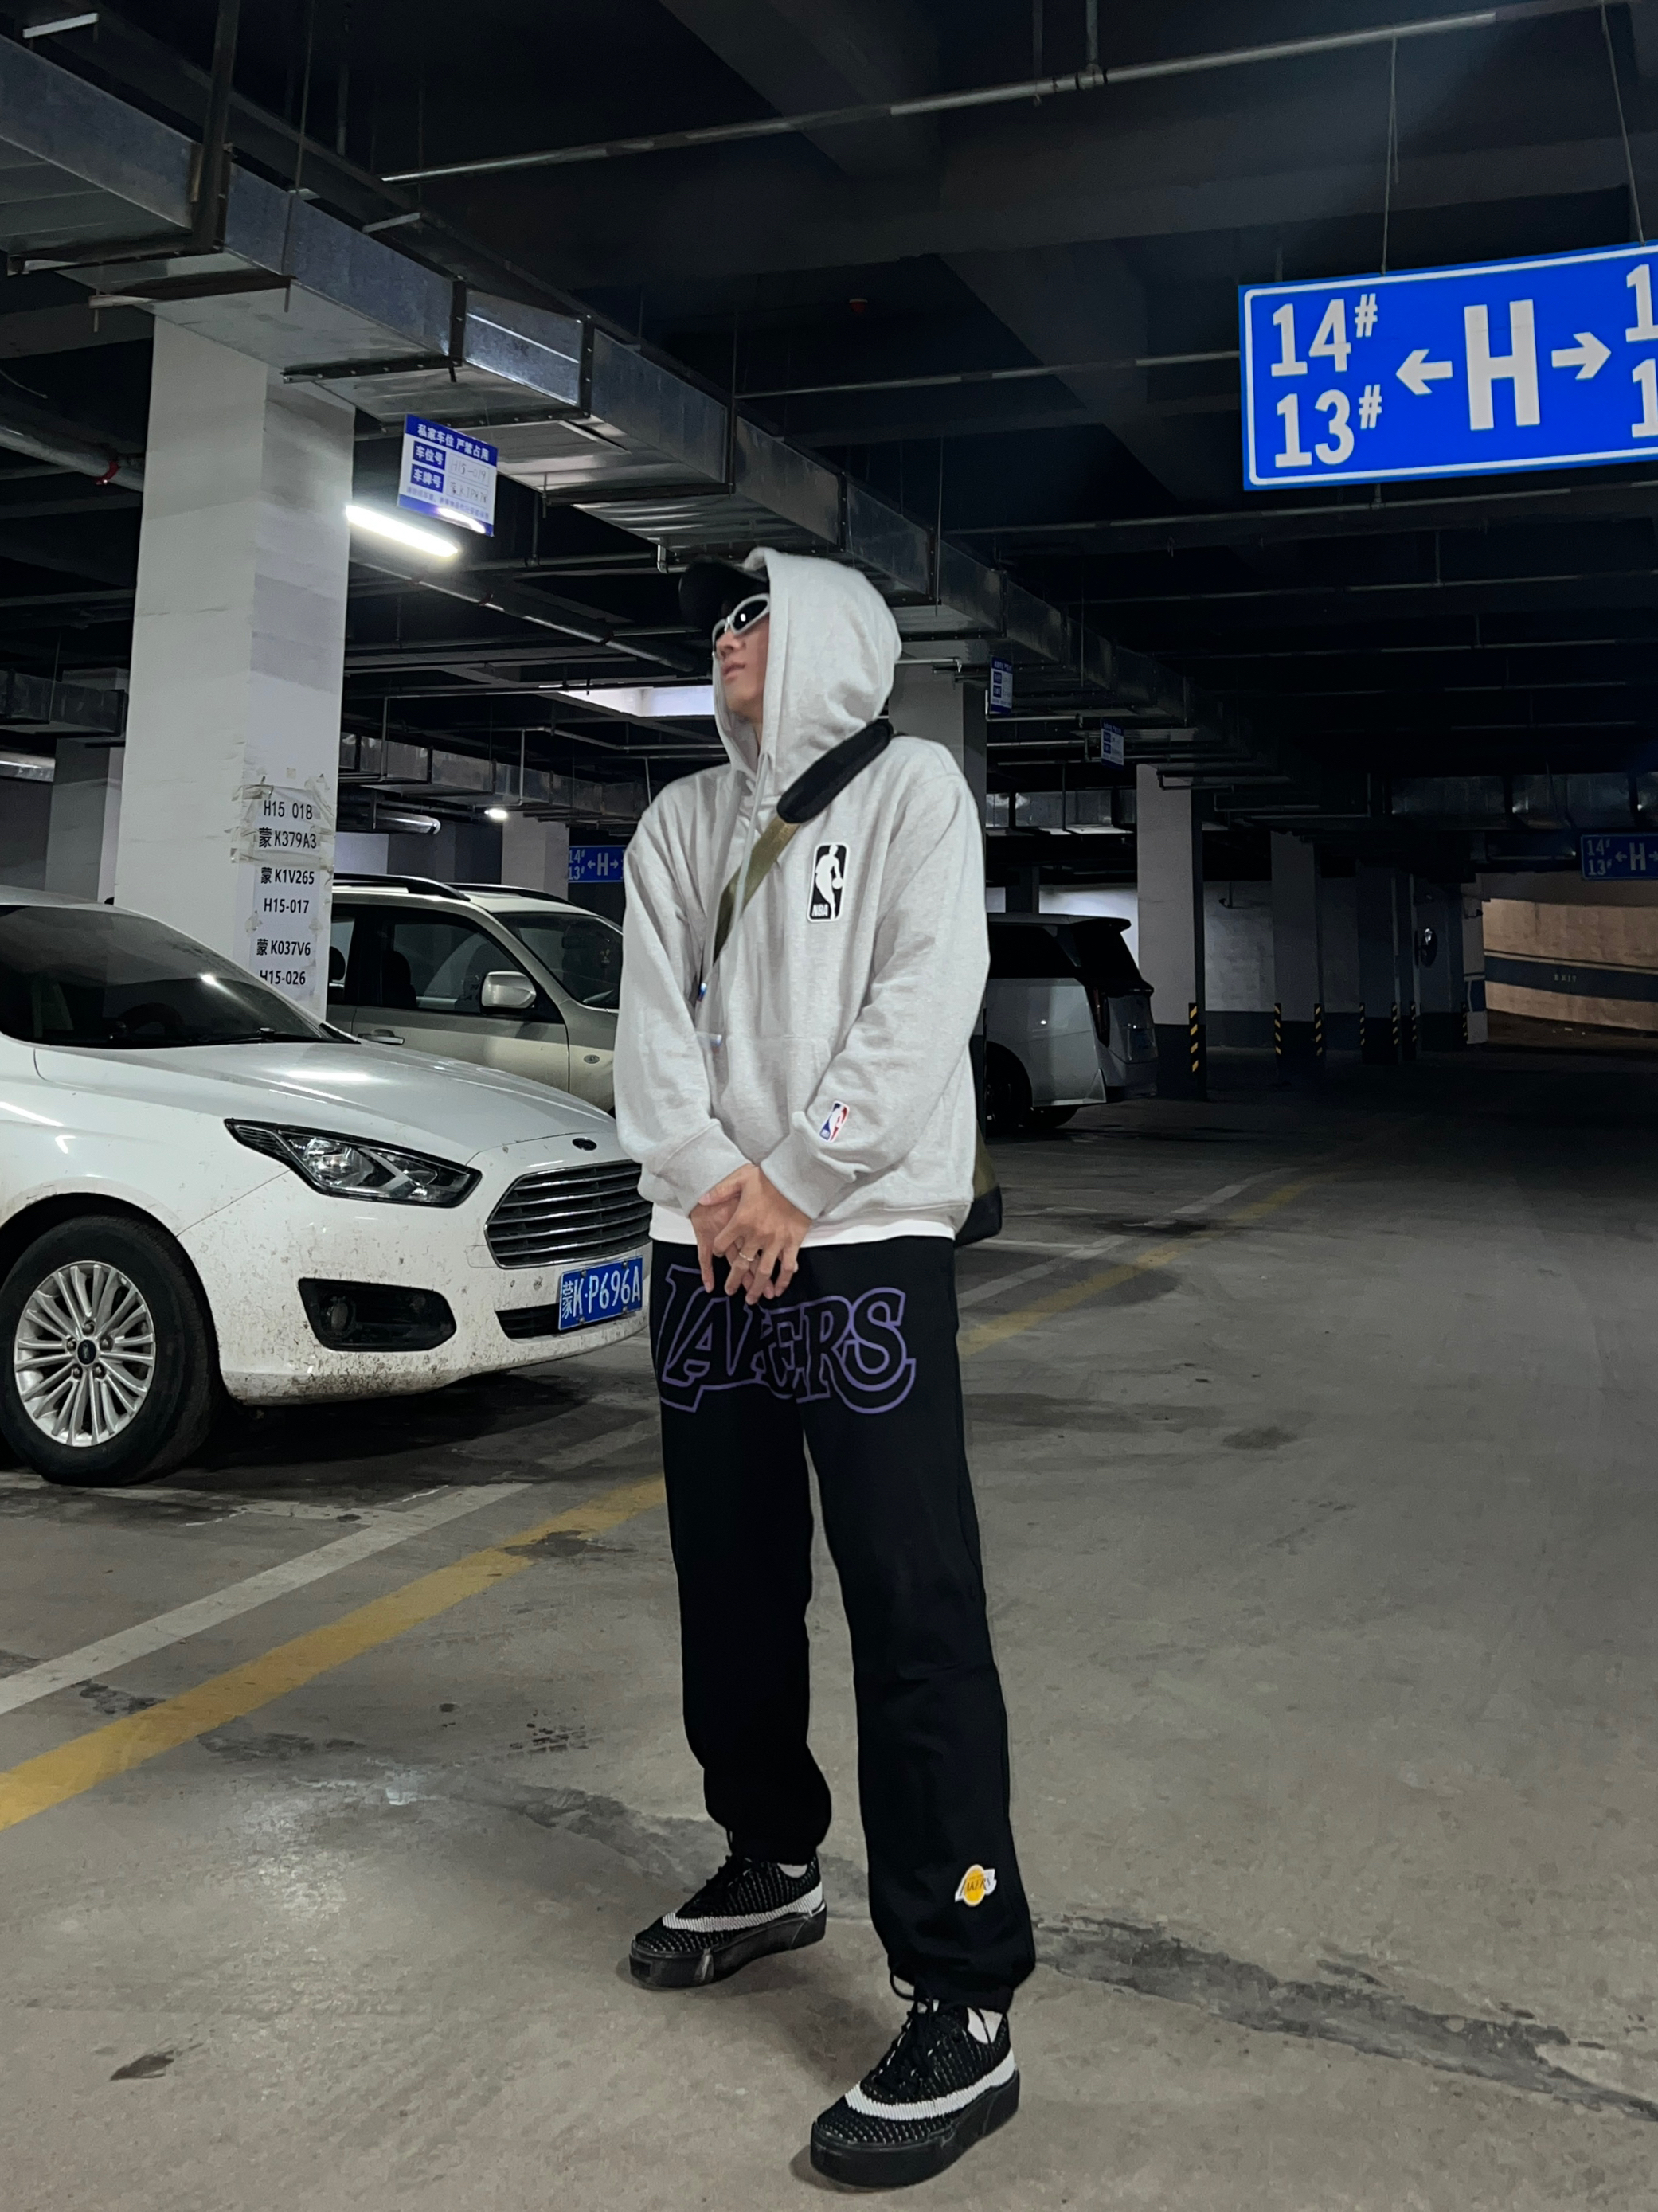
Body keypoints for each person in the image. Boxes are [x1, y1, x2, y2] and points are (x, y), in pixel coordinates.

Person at [614, 548, 1034, 2191]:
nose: (731, 639)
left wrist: (798, 1181)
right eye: (718, 624)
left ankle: (964, 1991)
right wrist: (717, 1183)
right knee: (729, 1578)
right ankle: (769, 1857)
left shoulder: (916, 790)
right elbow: (649, 1029)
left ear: (835, 637)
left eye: (757, 613)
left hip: (860, 1245)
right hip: (703, 1246)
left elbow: (926, 1000)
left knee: (911, 1603)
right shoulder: (675, 825)